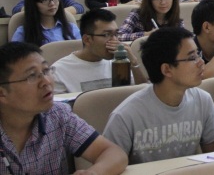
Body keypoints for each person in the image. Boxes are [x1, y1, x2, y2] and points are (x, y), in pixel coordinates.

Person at [0, 42, 128, 174]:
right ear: (2, 93)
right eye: (31, 76)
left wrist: (94, 173)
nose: (46, 82)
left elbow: (113, 153)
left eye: (46, 71)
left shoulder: (57, 114)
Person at [103, 27, 214, 164]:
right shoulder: (125, 116)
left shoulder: (203, 100)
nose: (201, 62)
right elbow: (109, 166)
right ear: (167, 69)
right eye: (192, 58)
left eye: (198, 54)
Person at [52, 9, 147, 93]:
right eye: (106, 35)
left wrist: (133, 62)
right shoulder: (59, 71)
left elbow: (143, 94)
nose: (114, 40)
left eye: (116, 34)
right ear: (87, 40)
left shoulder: (121, 62)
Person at [11, 0, 81, 45]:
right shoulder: (23, 33)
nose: (52, 4)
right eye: (45, 0)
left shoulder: (71, 28)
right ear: (33, 4)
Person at [118, 0, 183, 41]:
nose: (163, 2)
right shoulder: (137, 15)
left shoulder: (176, 19)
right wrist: (146, 35)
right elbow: (119, 36)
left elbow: (183, 38)